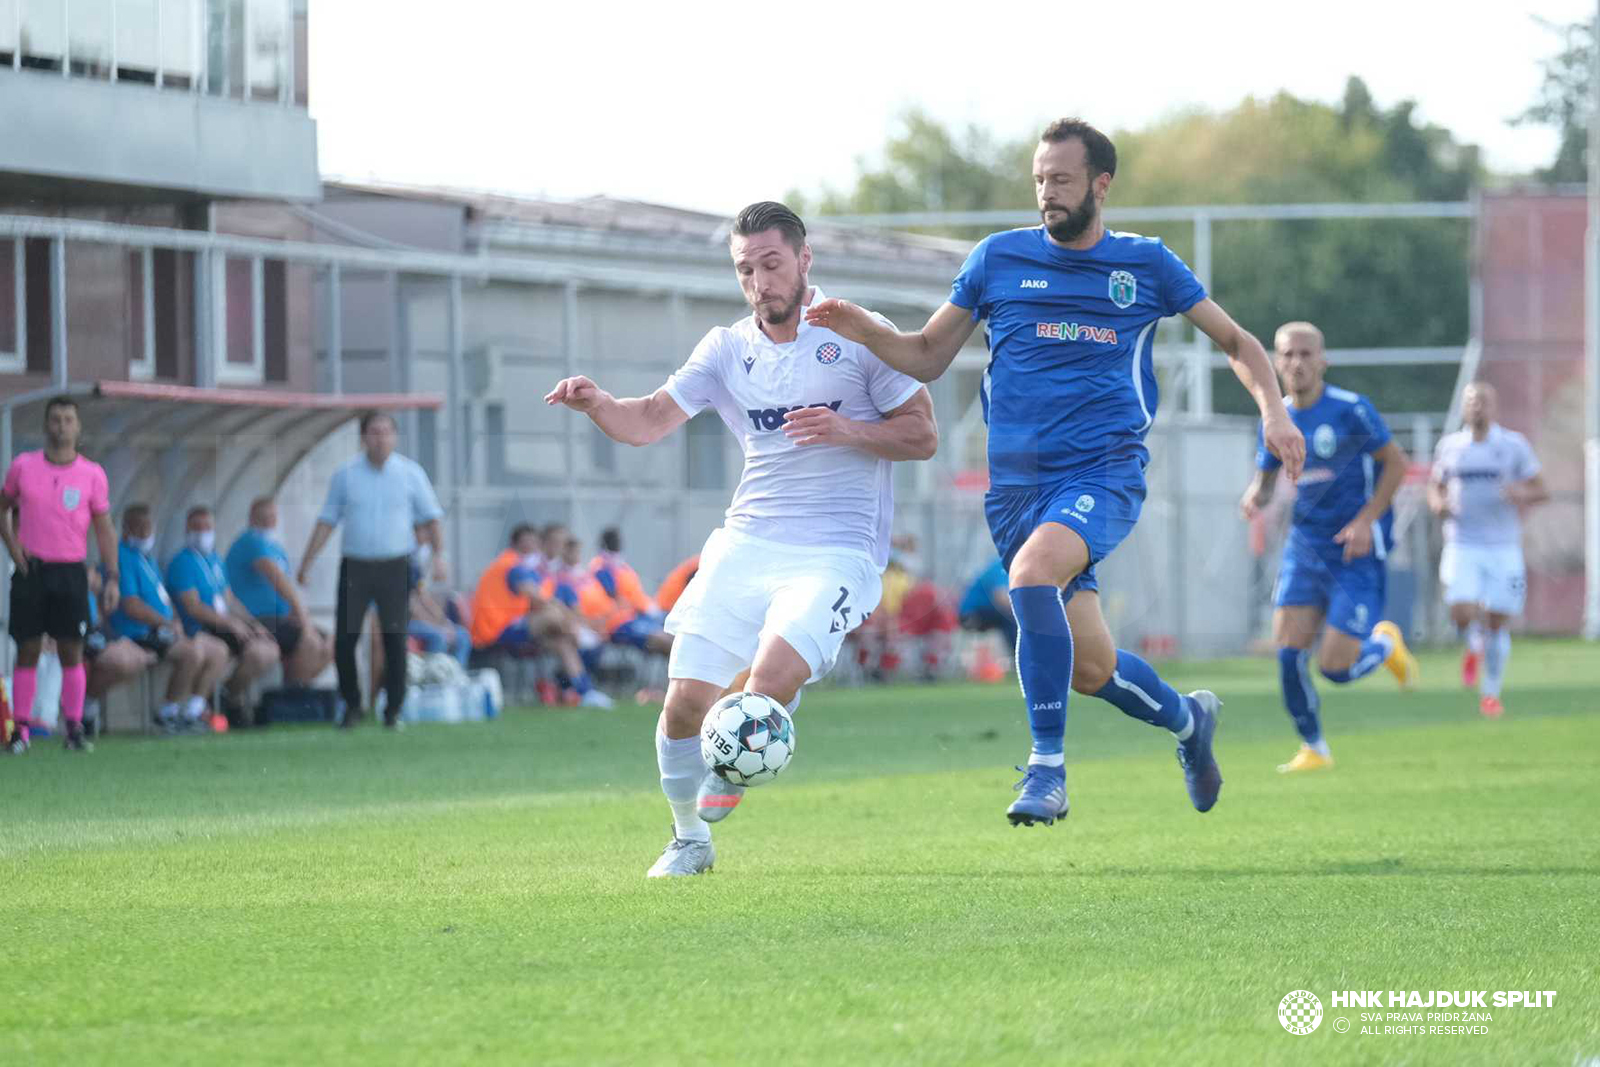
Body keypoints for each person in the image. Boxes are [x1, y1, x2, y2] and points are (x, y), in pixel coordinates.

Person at [807, 119, 1300, 825]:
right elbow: (923, 355)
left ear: (1102, 184)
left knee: (1031, 574)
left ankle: (1046, 769)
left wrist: (1274, 413)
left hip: (1102, 471)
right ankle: (1190, 721)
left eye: (1062, 180)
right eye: (1040, 179)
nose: (1047, 193)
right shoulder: (997, 259)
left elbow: (1238, 341)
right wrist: (864, 330)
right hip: (1015, 486)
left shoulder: (1147, 264)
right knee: (1090, 668)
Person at [546, 199, 937, 877]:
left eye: (772, 264)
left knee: (766, 682)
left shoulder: (858, 333)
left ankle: (744, 743)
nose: (760, 282)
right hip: (747, 542)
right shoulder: (727, 348)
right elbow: (648, 421)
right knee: (683, 705)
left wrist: (849, 429)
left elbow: (923, 434)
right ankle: (689, 838)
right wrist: (599, 404)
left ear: (804, 261)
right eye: (745, 270)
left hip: (836, 553)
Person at [1238, 322, 1417, 772]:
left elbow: (1396, 464)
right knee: (1287, 653)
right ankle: (1314, 747)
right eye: (1287, 355)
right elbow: (1266, 473)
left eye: (1305, 354)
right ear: (1276, 363)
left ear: (1323, 360)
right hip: (1305, 547)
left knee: (1335, 668)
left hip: (1352, 550)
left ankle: (1383, 647)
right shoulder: (1276, 418)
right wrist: (1254, 495)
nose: (1296, 363)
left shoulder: (1351, 410)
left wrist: (1365, 520)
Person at [297, 411, 445, 729]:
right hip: (357, 566)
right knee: (346, 639)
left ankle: (393, 709)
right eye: (374, 432)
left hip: (395, 565)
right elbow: (327, 520)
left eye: (386, 432)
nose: (380, 438)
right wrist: (307, 562)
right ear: (363, 437)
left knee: (395, 638)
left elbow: (431, 517)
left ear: (394, 436)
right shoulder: (346, 475)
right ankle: (352, 704)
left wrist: (440, 556)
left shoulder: (410, 473)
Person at [0, 395, 119, 753]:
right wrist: (12, 545)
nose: (62, 426)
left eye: (68, 419)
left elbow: (104, 528)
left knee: (71, 650)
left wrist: (111, 575)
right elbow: (3, 508)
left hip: (71, 571)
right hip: (32, 569)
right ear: (45, 425)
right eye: (55, 419)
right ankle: (19, 730)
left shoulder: (92, 474)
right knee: (28, 648)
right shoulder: (23, 466)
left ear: (78, 427)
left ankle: (74, 729)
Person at [1426, 382, 1548, 718]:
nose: (1477, 407)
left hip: (1503, 547)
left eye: (1483, 402)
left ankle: (1490, 693)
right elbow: (1435, 486)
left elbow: (1541, 489)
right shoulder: (1451, 446)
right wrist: (1438, 503)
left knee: (1498, 621)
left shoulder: (1512, 445)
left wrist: (1520, 493)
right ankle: (1473, 644)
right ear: (1465, 408)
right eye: (1471, 402)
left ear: (1494, 407)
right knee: (1461, 611)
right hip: (1462, 543)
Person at [108, 504, 232, 733]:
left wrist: (174, 619)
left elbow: (163, 598)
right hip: (137, 631)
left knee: (219, 650)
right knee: (192, 652)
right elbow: (131, 605)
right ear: (126, 529)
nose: (147, 534)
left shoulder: (148, 558)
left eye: (149, 528)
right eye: (141, 529)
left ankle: (193, 711)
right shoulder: (121, 557)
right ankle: (167, 713)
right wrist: (166, 623)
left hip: (162, 628)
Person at [468, 524, 611, 707]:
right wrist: (572, 623)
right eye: (527, 544)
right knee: (551, 615)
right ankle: (579, 636)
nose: (531, 548)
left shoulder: (533, 569)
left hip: (512, 625)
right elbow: (538, 598)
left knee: (562, 642)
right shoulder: (512, 565)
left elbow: (550, 598)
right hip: (495, 628)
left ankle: (585, 692)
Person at [167, 504, 281, 720]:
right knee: (252, 652)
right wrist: (229, 624)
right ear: (187, 531)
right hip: (202, 627)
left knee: (268, 649)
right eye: (197, 528)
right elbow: (193, 606)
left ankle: (226, 694)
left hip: (225, 624)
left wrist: (251, 623)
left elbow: (230, 599)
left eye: (207, 527)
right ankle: (200, 707)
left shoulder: (216, 560)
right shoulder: (182, 562)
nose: (202, 533)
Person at [225, 497, 335, 687]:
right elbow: (279, 582)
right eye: (263, 517)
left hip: (281, 617)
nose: (269, 522)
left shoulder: (275, 547)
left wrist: (297, 615)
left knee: (331, 642)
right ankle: (292, 696)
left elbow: (287, 588)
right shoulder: (250, 542)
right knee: (308, 640)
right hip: (257, 618)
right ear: (252, 518)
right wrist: (305, 621)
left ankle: (294, 690)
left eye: (272, 517)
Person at [82, 565, 159, 728]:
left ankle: (88, 706)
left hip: (100, 639)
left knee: (138, 656)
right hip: (82, 642)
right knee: (122, 660)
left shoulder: (93, 597)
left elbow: (101, 625)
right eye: (92, 573)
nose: (97, 578)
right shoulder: (75, 593)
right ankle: (85, 707)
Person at [406, 554, 472, 668]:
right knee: (439, 637)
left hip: (425, 622)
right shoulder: (401, 575)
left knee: (463, 635)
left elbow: (426, 600)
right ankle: (434, 677)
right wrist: (438, 626)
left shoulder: (416, 571)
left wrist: (444, 622)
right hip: (408, 622)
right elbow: (414, 611)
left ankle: (456, 674)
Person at [959, 556, 1017, 651]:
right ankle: (1020, 657)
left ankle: (1020, 656)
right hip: (971, 614)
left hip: (985, 612)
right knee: (1013, 618)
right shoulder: (1004, 566)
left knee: (1014, 618)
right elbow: (1001, 597)